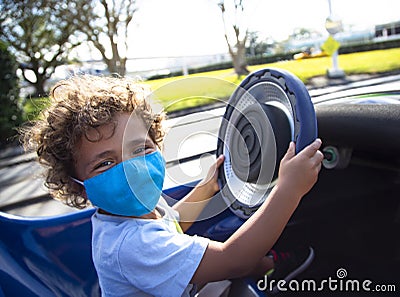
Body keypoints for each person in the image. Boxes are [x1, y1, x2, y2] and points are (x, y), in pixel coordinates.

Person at [22, 75, 324, 297]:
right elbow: (233, 260)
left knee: (250, 260)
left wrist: (205, 189)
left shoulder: (136, 207)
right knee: (242, 263)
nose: (132, 168)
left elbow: (171, 223)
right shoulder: (130, 247)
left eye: (140, 148)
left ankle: (272, 264)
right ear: (79, 186)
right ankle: (276, 267)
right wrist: (288, 189)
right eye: (105, 163)